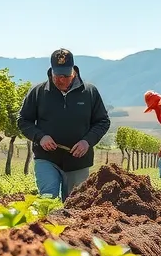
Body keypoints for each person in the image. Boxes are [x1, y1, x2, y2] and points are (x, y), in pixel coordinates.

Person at [17, 48, 110, 201]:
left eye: (65, 76)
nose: (61, 79)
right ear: (51, 71)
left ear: (73, 71)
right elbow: (23, 120)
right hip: (46, 158)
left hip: (78, 162)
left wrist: (87, 142)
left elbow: (103, 121)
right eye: (57, 75)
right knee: (48, 198)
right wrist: (40, 137)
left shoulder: (89, 92)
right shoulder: (38, 92)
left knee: (75, 203)